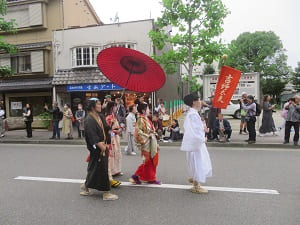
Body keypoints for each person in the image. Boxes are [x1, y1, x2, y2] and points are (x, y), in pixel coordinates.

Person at [80, 98, 118, 201]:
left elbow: (105, 128)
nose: (101, 106)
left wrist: (111, 127)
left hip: (103, 146)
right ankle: (106, 193)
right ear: (93, 106)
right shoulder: (89, 119)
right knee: (102, 169)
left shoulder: (99, 116)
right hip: (98, 148)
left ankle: (86, 186)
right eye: (99, 104)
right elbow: (92, 136)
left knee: (94, 168)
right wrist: (102, 147)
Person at [181, 92, 212, 194]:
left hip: (195, 143)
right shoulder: (193, 114)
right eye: (199, 100)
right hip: (196, 144)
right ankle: (196, 185)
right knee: (198, 162)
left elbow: (195, 129)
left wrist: (203, 129)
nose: (200, 101)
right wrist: (202, 139)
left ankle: (195, 180)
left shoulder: (192, 113)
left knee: (196, 162)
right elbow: (193, 131)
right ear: (194, 102)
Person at [130, 102, 161, 185]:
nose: (148, 110)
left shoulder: (145, 118)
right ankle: (142, 176)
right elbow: (138, 133)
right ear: (143, 110)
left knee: (151, 160)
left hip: (150, 142)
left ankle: (146, 177)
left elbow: (148, 130)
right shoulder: (140, 119)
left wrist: (151, 132)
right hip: (146, 143)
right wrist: (148, 135)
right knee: (148, 161)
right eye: (147, 109)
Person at [105, 101, 122, 187]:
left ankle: (117, 170)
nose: (116, 108)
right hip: (111, 138)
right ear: (112, 107)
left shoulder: (114, 116)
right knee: (113, 153)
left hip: (116, 137)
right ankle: (112, 170)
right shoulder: (108, 117)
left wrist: (119, 129)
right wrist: (115, 131)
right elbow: (108, 130)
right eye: (115, 106)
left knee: (117, 153)